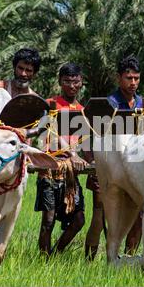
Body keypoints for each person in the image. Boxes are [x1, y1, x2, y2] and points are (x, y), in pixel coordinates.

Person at [0, 48, 42, 251]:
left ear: (34, 73)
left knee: (4, 208)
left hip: (12, 160)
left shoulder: (34, 99)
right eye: (20, 68)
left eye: (28, 70)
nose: (23, 74)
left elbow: (30, 133)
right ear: (14, 68)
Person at [84, 55, 144, 260]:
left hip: (137, 167)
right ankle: (91, 259)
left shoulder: (143, 103)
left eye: (136, 78)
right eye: (129, 78)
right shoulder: (108, 104)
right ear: (119, 78)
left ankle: (128, 257)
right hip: (109, 168)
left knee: (139, 214)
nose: (133, 82)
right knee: (100, 215)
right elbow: (92, 136)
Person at [35, 62, 88, 255]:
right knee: (47, 220)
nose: (71, 86)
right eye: (67, 81)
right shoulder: (50, 105)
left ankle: (56, 253)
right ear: (60, 82)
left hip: (71, 173)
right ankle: (43, 259)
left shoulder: (83, 110)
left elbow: (85, 141)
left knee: (79, 219)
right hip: (50, 168)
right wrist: (72, 154)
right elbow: (49, 133)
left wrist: (94, 161)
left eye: (75, 81)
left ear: (81, 82)